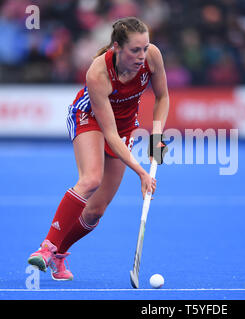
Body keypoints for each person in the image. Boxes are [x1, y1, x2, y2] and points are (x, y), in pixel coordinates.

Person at [27, 17, 169, 281]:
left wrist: (156, 138)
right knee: (91, 179)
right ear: (117, 47)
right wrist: (141, 172)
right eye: (134, 50)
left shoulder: (152, 57)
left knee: (95, 212)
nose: (141, 55)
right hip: (89, 117)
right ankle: (46, 247)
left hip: (125, 125)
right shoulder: (98, 73)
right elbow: (110, 135)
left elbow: (162, 97)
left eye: (144, 48)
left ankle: (59, 253)